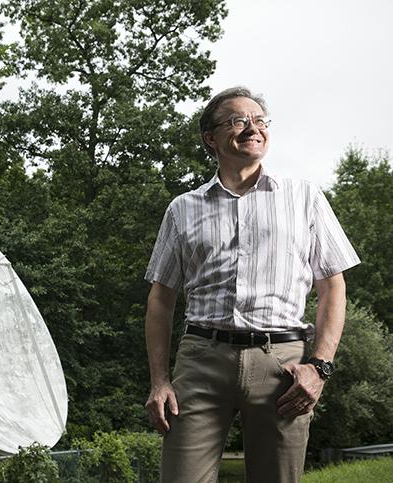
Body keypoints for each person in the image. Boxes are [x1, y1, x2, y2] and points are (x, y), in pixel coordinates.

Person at [143, 86, 360, 483]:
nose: (252, 128)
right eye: (238, 121)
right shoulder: (182, 208)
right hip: (201, 362)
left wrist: (319, 366)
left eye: (259, 120)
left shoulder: (304, 198)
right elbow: (160, 300)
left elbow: (333, 286)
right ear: (211, 138)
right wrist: (159, 382)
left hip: (283, 366)